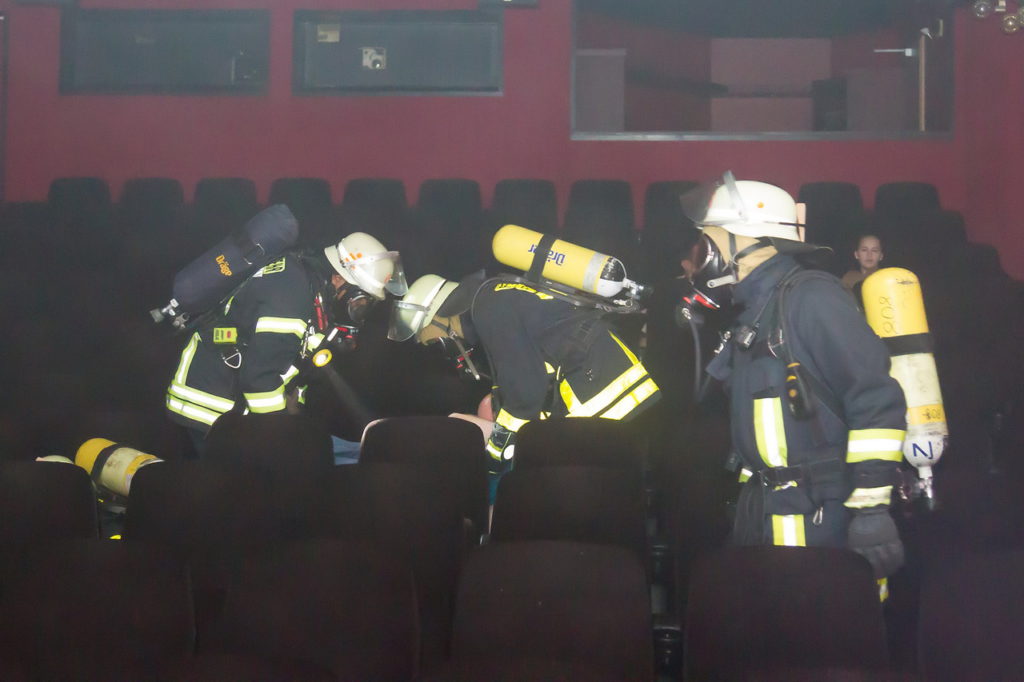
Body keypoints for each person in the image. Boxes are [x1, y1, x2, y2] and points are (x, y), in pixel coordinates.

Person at [681, 172, 907, 596]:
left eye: (711, 239)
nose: (702, 251)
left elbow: (876, 399)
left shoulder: (812, 299)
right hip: (766, 511)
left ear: (752, 240)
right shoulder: (756, 310)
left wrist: (872, 510)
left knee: (817, 630)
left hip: (820, 519)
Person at [387, 271, 661, 501]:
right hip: (611, 378)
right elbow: (533, 371)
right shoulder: (496, 294)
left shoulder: (488, 308)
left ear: (439, 316)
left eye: (429, 338)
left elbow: (525, 393)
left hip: (598, 388)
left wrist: (496, 453)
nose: (434, 345)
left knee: (567, 486)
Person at [165, 226, 406, 453]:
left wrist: (292, 413)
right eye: (360, 301)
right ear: (339, 279)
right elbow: (259, 378)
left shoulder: (308, 286)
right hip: (210, 409)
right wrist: (282, 435)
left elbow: (290, 362)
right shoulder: (293, 293)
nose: (360, 310)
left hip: (230, 407)